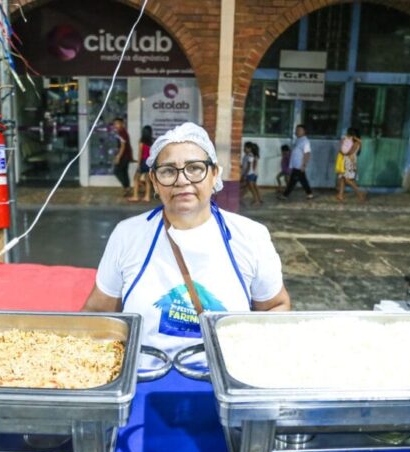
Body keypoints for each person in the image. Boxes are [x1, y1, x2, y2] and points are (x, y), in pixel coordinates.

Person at [83, 122, 291, 356]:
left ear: (214, 174)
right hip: (143, 379)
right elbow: (98, 314)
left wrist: (246, 355)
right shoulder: (128, 235)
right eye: (168, 171)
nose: (182, 180)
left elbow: (275, 305)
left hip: (224, 383)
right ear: (154, 180)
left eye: (194, 168)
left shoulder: (250, 236)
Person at [278, 125, 314, 200]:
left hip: (299, 165)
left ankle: (285, 195)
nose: (297, 131)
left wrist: (304, 165)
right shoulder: (298, 140)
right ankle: (309, 194)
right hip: (295, 164)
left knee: (292, 181)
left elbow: (307, 153)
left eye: (299, 130)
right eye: (297, 130)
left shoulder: (305, 141)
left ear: (304, 131)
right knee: (302, 180)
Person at [336, 127, 367, 202]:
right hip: (347, 160)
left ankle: (360, 193)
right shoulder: (357, 142)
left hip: (349, 162)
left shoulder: (356, 143)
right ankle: (340, 195)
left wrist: (342, 152)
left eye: (349, 133)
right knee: (342, 178)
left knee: (348, 179)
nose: (347, 135)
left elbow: (350, 152)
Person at [129, 125, 154, 202]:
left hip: (143, 162)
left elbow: (140, 154)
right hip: (150, 162)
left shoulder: (141, 142)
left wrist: (138, 165)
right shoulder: (152, 142)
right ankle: (147, 197)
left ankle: (135, 196)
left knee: (136, 178)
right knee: (147, 180)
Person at [112, 118, 133, 195]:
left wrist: (118, 157)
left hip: (124, 156)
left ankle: (126, 187)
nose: (115, 126)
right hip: (126, 156)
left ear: (121, 124)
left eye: (117, 124)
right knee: (124, 172)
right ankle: (127, 189)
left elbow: (123, 146)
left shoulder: (122, 133)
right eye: (114, 124)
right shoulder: (123, 132)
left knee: (117, 171)